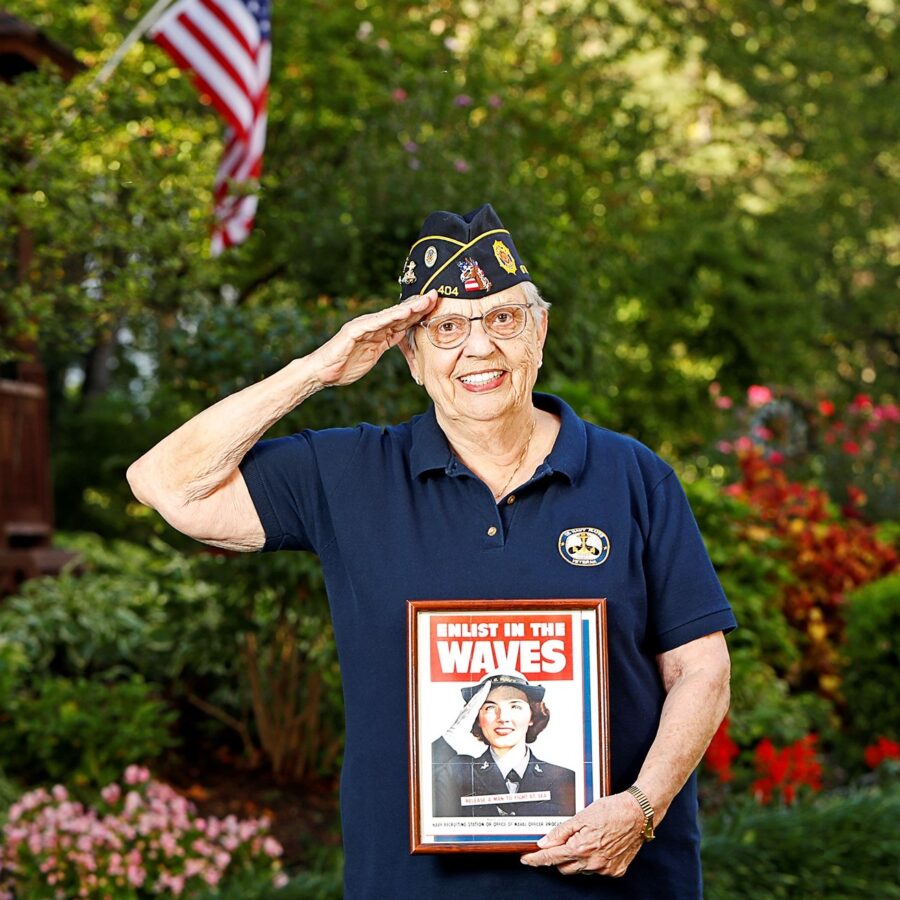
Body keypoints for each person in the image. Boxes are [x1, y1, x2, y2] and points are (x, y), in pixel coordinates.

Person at [127, 204, 735, 898]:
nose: (478, 349)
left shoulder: (632, 475)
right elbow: (163, 483)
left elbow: (701, 670)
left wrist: (643, 806)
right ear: (410, 357)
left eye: (503, 319)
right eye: (446, 329)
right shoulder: (350, 473)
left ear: (539, 331)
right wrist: (317, 370)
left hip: (621, 882)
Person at [432, 671, 576, 818]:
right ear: (476, 717)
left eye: (515, 707)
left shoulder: (564, 778)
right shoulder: (454, 772)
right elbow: (416, 785)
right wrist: (452, 736)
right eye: (490, 708)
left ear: (532, 716)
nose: (503, 718)